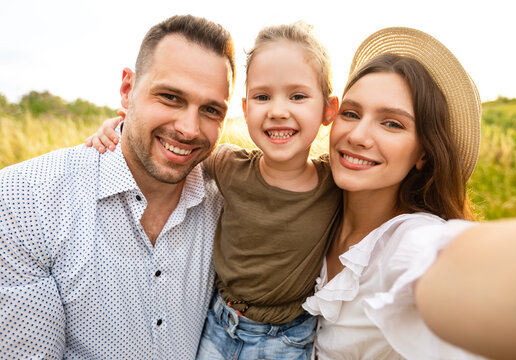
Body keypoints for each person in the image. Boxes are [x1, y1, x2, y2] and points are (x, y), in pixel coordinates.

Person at [87, 21, 341, 359]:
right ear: (247, 109)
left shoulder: (335, 184)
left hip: (286, 338)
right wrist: (117, 126)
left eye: (297, 96)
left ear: (328, 110)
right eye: (263, 96)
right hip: (218, 323)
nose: (278, 111)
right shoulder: (229, 166)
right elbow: (170, 147)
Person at [0, 14, 235, 359]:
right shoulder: (26, 198)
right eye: (170, 97)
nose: (188, 128)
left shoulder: (230, 201)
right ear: (127, 90)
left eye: (211, 109)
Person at [302, 27, 516, 359]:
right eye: (351, 114)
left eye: (392, 124)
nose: (357, 135)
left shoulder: (410, 239)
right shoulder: (308, 209)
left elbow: (448, 268)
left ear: (423, 154)